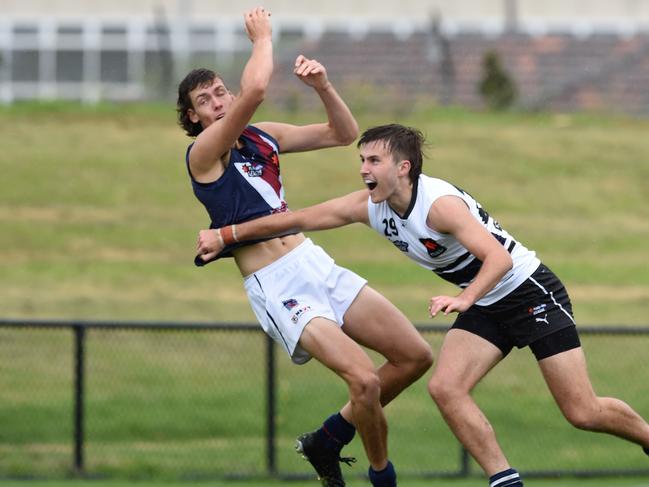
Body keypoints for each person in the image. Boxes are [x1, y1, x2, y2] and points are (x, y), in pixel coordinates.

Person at [197, 123, 649, 487]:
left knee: (582, 412)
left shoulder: (439, 207)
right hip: (484, 300)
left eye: (373, 160)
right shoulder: (371, 205)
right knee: (445, 388)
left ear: (403, 167)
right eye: (361, 160)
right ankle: (504, 481)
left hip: (527, 290)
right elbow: (296, 218)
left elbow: (499, 257)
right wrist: (226, 236)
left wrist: (464, 298)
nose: (363, 169)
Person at [177, 9, 433, 487]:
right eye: (203, 100)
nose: (215, 101)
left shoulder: (262, 136)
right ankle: (383, 478)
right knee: (365, 381)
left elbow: (342, 133)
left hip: (313, 261)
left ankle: (329, 437)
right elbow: (253, 90)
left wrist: (323, 87)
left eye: (218, 92)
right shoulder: (203, 155)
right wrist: (263, 38)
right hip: (278, 285)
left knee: (414, 356)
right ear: (193, 117)